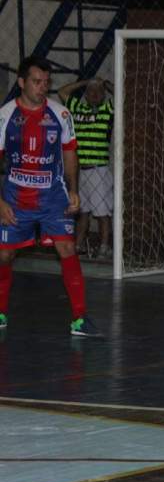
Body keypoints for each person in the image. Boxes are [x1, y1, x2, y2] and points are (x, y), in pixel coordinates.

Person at [0, 56, 100, 335]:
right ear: (21, 82)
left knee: (67, 248)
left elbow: (70, 154)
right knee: (4, 256)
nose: (42, 87)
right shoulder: (5, 116)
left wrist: (74, 189)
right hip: (15, 198)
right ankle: (0, 312)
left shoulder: (61, 115)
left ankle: (80, 318)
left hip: (52, 196)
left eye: (46, 82)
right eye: (36, 82)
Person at [57, 76, 114, 259]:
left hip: (99, 170)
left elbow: (124, 97)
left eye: (98, 91)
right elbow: (62, 92)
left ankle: (105, 246)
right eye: (91, 91)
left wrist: (105, 83)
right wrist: (85, 82)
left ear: (103, 94)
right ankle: (79, 244)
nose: (94, 94)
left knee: (102, 212)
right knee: (82, 211)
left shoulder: (107, 109)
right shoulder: (78, 108)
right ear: (86, 95)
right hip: (80, 171)